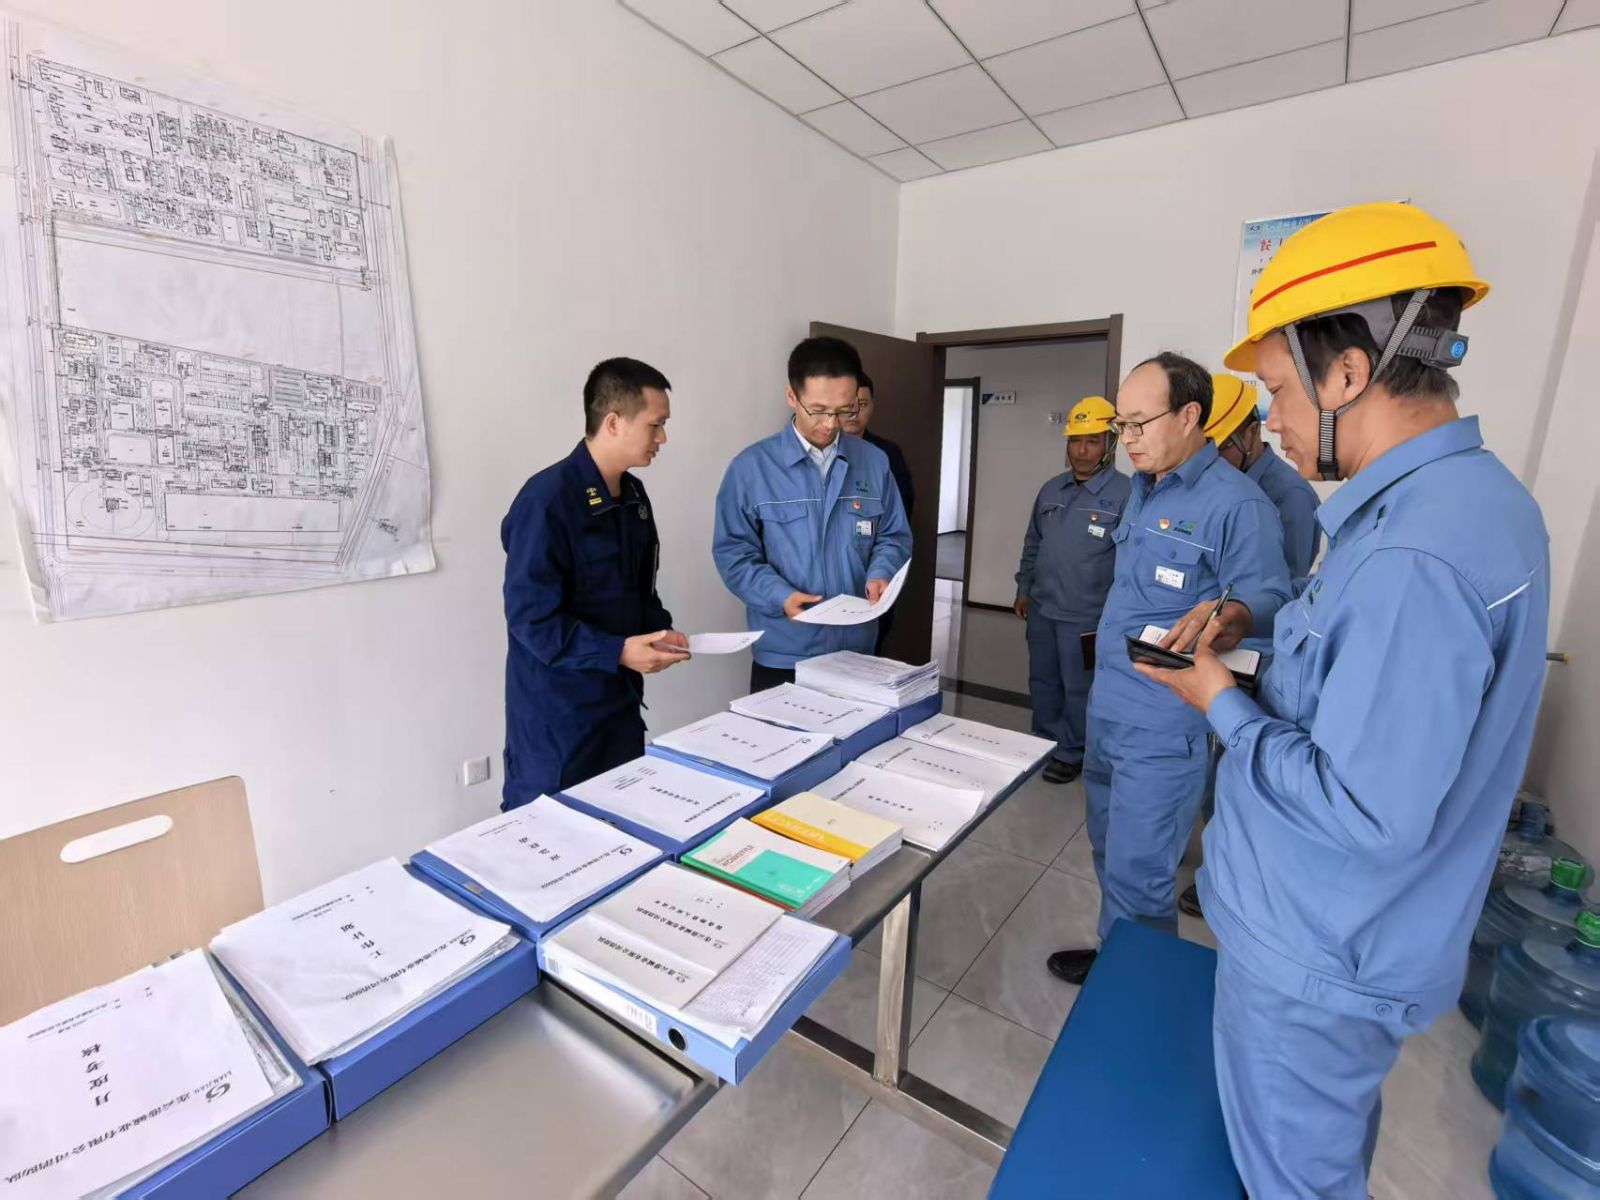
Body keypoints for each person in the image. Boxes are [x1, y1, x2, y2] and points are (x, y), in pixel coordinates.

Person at [1137, 203, 1549, 1199]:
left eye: (1278, 390)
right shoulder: (1461, 504)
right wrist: (1255, 636)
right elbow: (1360, 681)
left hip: (1318, 953)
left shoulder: (1413, 553)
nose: (1269, 420)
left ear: (1348, 373)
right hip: (1349, 942)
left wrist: (1218, 700)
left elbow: (1364, 807)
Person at [1046, 353, 1291, 986]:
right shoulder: (1143, 488)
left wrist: (1233, 611)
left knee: (1142, 873)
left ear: (1189, 416)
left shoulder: (1238, 505)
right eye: (1121, 425)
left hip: (1165, 724)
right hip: (1110, 707)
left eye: (1138, 423)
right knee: (1108, 849)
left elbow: (1272, 596)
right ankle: (1118, 959)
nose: (1125, 439)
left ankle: (1135, 994)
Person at [500, 358, 689, 810]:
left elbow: (639, 590)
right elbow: (531, 620)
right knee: (549, 830)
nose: (663, 438)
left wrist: (660, 631)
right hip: (559, 718)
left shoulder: (634, 497)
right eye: (655, 425)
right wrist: (618, 651)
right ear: (613, 422)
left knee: (621, 820)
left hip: (618, 706)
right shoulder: (547, 501)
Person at [714, 337, 912, 691]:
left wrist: (882, 572)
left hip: (857, 651)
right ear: (792, 396)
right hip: (784, 654)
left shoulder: (874, 461)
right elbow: (734, 554)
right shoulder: (751, 469)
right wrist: (779, 596)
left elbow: (893, 535)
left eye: (844, 410)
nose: (831, 423)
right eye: (818, 410)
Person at [1013, 396, 1131, 785]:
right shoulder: (1051, 489)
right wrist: (1024, 587)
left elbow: (1132, 563)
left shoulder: (1127, 495)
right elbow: (1033, 543)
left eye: (1092, 441)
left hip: (1088, 616)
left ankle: (1071, 751)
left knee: (1080, 688)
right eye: (1075, 441)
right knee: (1043, 681)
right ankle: (1044, 741)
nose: (1081, 450)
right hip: (1043, 610)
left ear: (1110, 444)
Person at [1205, 372, 1322, 579]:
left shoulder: (1292, 497)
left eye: (1220, 448)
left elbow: (1284, 586)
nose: (1209, 459)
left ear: (1252, 432)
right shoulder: (1212, 483)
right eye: (1202, 449)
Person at [843, 371, 915, 655]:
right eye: (848, 405)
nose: (854, 412)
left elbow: (899, 517)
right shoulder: (823, 453)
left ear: (872, 406)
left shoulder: (885, 455)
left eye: (862, 404)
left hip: (875, 572)